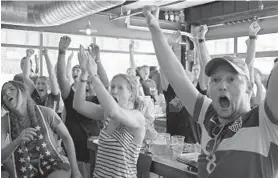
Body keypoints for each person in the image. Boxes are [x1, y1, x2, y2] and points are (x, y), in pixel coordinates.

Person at [143, 5, 278, 178]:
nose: (222, 85)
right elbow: (175, 75)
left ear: (250, 87)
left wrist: (253, 38)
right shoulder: (210, 117)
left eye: (231, 79)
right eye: (215, 79)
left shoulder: (264, 123)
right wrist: (154, 27)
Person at [73, 45, 145, 178]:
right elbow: (79, 105)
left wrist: (94, 75)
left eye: (120, 88)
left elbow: (114, 111)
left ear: (131, 94)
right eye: (112, 86)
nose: (114, 91)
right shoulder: (106, 113)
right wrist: (84, 73)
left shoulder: (137, 117)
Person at [1, 81, 81, 178]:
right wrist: (17, 141)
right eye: (3, 93)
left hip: (55, 165)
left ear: (23, 92)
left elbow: (66, 137)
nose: (7, 93)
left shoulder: (47, 112)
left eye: (12, 89)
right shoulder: (4, 122)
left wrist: (76, 171)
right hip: (24, 171)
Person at [56, 36, 109, 178]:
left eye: (91, 82)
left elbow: (105, 84)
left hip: (97, 156)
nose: (88, 85)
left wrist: (97, 59)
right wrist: (61, 53)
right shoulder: (71, 97)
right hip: (75, 158)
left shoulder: (99, 100)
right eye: (85, 82)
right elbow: (61, 78)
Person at [22, 48, 63, 116]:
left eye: (43, 84)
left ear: (49, 86)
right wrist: (28, 57)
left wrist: (46, 56)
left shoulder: (54, 96)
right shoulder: (34, 94)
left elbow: (52, 75)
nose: (40, 86)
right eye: (38, 83)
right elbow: (25, 76)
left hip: (50, 126)